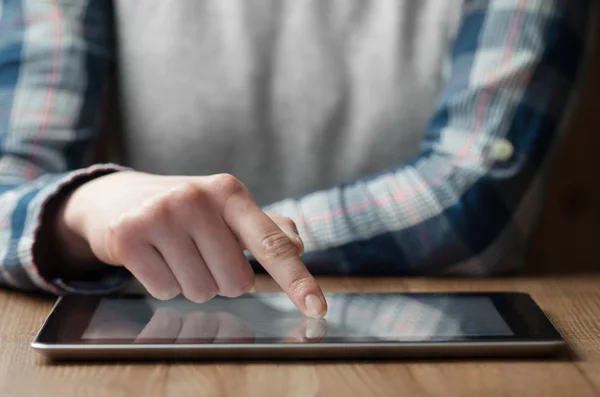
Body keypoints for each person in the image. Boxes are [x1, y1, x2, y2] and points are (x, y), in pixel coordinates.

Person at [0, 0, 595, 318]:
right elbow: (9, 182)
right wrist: (87, 208)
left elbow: (477, 201)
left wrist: (216, 238)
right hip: (164, 354)